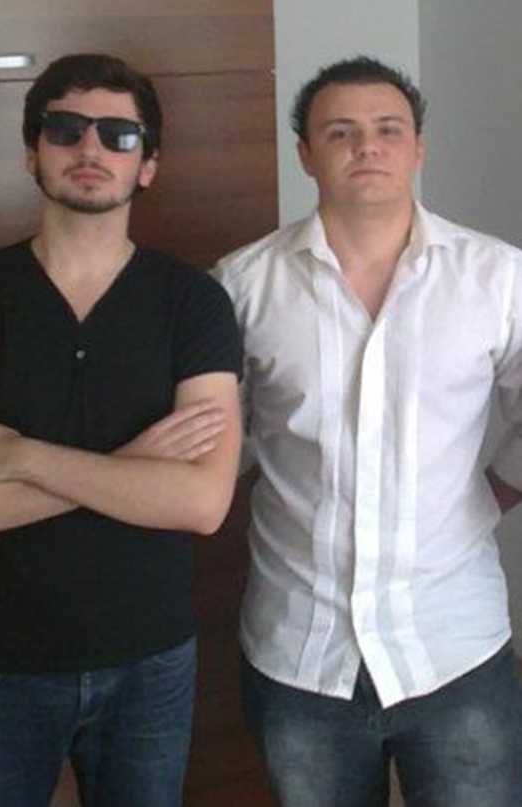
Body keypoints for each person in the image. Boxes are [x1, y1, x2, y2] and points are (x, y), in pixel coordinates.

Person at [0, 53, 242, 807]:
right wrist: (132, 464)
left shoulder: (193, 303)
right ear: (32, 153)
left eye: (118, 135)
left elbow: (201, 503)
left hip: (149, 661)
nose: (90, 147)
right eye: (65, 129)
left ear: (147, 166)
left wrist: (19, 456)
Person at [214, 56, 522, 807]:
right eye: (340, 132)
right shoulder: (242, 284)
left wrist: (490, 491)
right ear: (305, 154)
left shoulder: (497, 277)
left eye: (388, 129)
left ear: (418, 148)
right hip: (298, 649)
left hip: (453, 644)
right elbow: (222, 443)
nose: (367, 147)